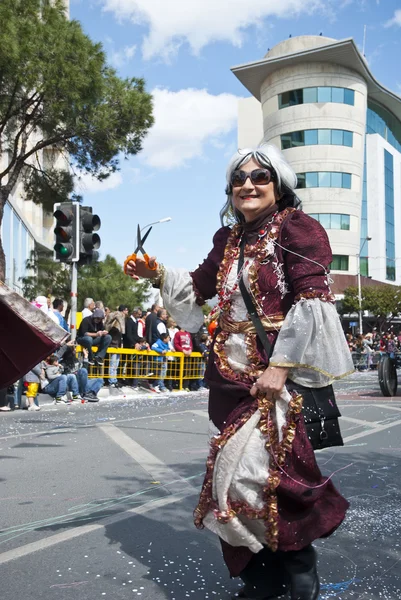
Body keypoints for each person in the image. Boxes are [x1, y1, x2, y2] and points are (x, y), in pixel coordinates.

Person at [125, 143, 353, 600]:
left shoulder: (297, 228)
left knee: (265, 477)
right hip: (229, 380)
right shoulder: (226, 240)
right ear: (229, 190)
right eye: (238, 178)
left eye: (260, 177)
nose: (248, 184)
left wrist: (281, 367)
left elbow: (312, 301)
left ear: (279, 184)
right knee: (234, 483)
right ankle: (262, 580)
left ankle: (301, 577)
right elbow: (198, 288)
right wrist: (155, 274)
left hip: (278, 381)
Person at [105, 305, 128, 388]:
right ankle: (111, 381)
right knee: (113, 364)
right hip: (113, 346)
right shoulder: (114, 326)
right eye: (126, 311)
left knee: (116, 364)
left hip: (117, 346)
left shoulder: (120, 324)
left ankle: (114, 380)